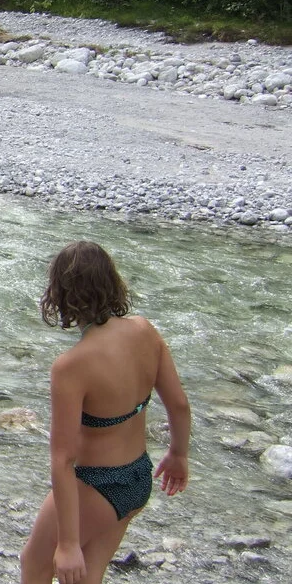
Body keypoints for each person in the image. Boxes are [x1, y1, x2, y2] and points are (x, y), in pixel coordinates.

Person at [20, 241, 192, 584]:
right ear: (112, 282)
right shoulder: (144, 330)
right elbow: (179, 404)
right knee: (87, 577)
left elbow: (64, 460)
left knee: (34, 565)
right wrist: (178, 454)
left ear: (60, 294)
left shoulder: (71, 366)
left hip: (97, 484)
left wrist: (67, 544)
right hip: (138, 477)